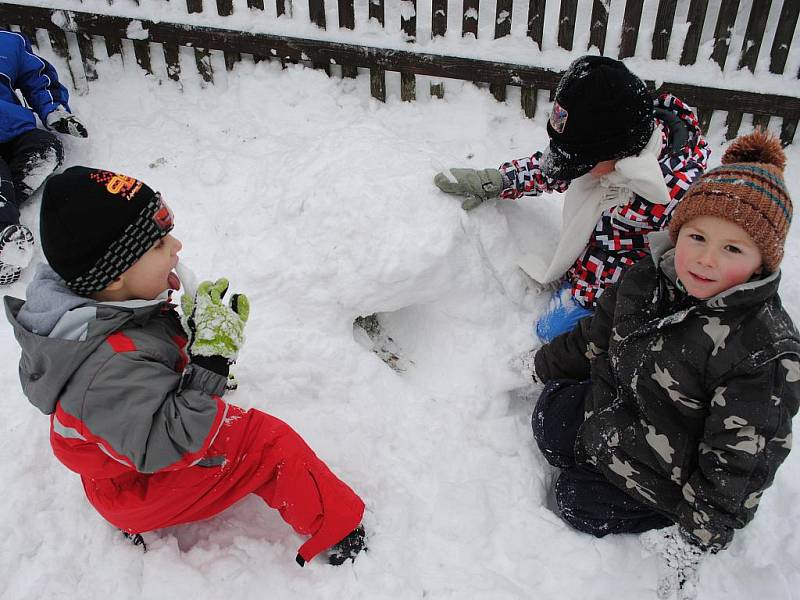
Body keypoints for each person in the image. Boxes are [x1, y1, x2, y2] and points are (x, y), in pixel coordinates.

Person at [4, 166, 365, 566]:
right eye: (159, 246)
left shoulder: (99, 306)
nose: (176, 246)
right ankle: (339, 526)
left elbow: (144, 376)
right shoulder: (105, 369)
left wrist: (192, 335)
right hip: (138, 484)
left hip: (125, 454)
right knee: (265, 443)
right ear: (115, 276)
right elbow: (166, 440)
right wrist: (209, 360)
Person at [524, 130, 799, 599]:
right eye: (697, 237)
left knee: (576, 501)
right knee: (550, 416)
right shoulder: (648, 276)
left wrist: (700, 532)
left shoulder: (761, 351)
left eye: (732, 249)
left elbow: (740, 460)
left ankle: (662, 519)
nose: (706, 259)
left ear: (761, 263)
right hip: (617, 411)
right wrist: (544, 365)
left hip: (666, 471)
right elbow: (597, 336)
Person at [434, 55, 709, 342]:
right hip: (583, 267)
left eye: (582, 162)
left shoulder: (678, 196)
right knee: (546, 333)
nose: (576, 172)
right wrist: (499, 180)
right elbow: (551, 172)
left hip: (620, 298)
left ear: (621, 151)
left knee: (552, 339)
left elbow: (681, 278)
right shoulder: (608, 151)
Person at [0, 29, 88, 286]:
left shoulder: (8, 43)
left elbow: (39, 80)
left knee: (46, 148)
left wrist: (54, 111)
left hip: (13, 130)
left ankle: (5, 203)